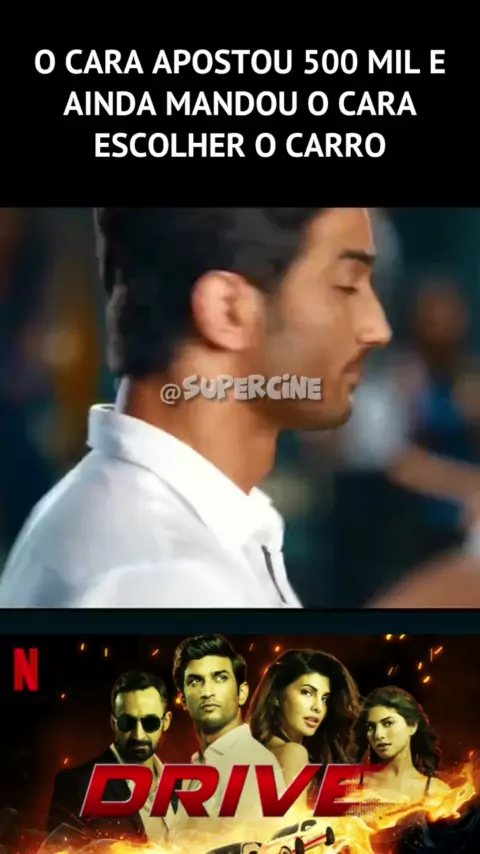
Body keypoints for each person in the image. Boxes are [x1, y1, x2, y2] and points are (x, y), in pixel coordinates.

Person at [0, 207, 391, 608]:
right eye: (347, 285)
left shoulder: (123, 518)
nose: (378, 328)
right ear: (228, 310)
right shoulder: (168, 582)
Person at [168, 634, 285, 845]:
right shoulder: (199, 763)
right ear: (183, 698)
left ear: (242, 692)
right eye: (195, 681)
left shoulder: (253, 763)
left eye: (220, 678)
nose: (207, 692)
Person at [45, 671, 172, 847]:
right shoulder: (76, 786)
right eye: (127, 723)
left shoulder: (185, 787)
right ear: (113, 722)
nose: (138, 735)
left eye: (150, 722)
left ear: (166, 721)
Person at [247, 648, 360, 811]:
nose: (318, 707)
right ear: (277, 696)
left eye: (324, 698)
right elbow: (293, 826)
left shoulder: (255, 748)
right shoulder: (293, 753)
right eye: (307, 692)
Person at [353, 685, 450, 803]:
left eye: (387, 723)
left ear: (412, 726)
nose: (378, 735)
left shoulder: (435, 790)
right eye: (371, 727)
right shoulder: (352, 785)